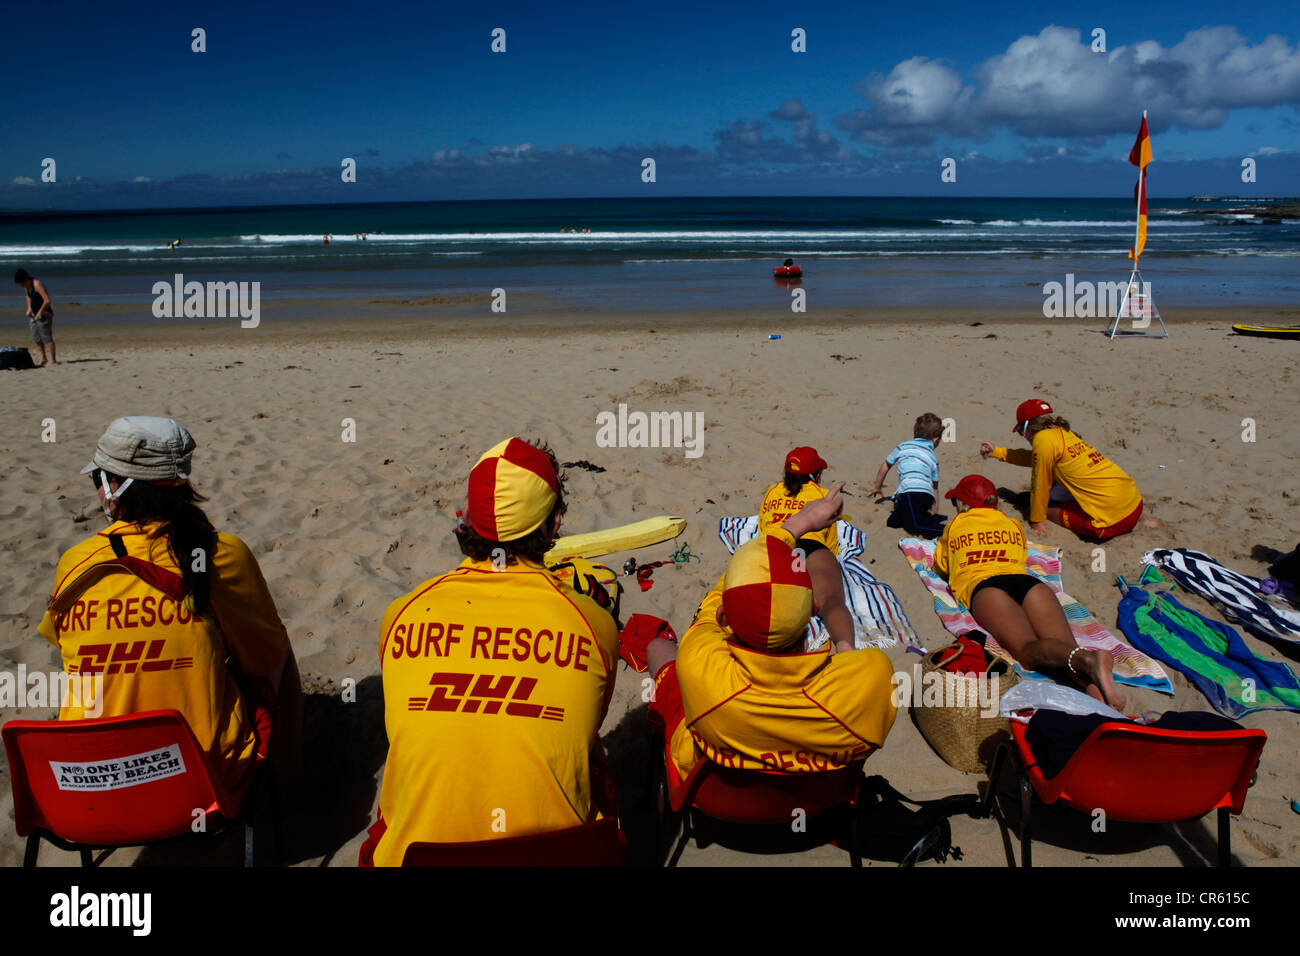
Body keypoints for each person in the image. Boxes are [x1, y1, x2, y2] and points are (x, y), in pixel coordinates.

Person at [360, 438, 620, 866]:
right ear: (554, 525)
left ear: (467, 522)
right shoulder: (593, 624)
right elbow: (586, 731)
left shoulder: (401, 615)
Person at [37, 417, 300, 797]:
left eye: (97, 479)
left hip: (87, 785)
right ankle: (291, 784)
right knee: (276, 652)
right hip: (201, 780)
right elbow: (266, 660)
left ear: (115, 486)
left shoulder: (76, 561)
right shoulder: (220, 553)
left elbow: (68, 649)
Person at [643, 486, 897, 805]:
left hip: (714, 802)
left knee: (659, 649)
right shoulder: (872, 677)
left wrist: (798, 522)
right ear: (814, 608)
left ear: (723, 613)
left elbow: (709, 613)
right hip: (817, 804)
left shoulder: (700, 659)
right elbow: (853, 665)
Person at [934, 474, 1124, 709]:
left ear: (962, 504)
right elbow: (1021, 557)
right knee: (1064, 646)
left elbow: (943, 566)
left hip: (986, 586)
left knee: (1027, 651)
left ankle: (1088, 659)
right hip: (1027, 583)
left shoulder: (955, 526)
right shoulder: (1011, 523)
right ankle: (1096, 691)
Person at [979, 399, 1151, 541]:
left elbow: (1040, 484)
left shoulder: (1042, 440)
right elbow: (1034, 458)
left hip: (1113, 522)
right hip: (1135, 502)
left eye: (1021, 433)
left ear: (1028, 428)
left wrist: (1037, 521)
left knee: (1042, 508)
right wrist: (998, 452)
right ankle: (1140, 521)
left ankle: (1127, 524)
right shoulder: (1065, 433)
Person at [757, 447, 854, 651]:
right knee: (831, 602)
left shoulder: (771, 492)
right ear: (816, 475)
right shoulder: (822, 496)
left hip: (777, 544)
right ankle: (846, 649)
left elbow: (762, 530)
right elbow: (831, 544)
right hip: (810, 546)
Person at [869, 412, 946, 539]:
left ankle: (945, 530)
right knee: (892, 522)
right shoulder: (933, 458)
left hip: (911, 492)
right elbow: (935, 488)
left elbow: (885, 467)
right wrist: (934, 510)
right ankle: (926, 518)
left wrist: (877, 487)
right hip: (924, 495)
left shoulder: (903, 447)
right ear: (936, 440)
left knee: (914, 526)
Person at [14, 268, 55, 366]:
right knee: (36, 338)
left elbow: (47, 300)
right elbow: (28, 296)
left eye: (22, 284)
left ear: (26, 280)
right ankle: (43, 358)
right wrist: (29, 308)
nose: (22, 286)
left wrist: (40, 312)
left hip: (44, 314)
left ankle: (53, 360)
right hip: (34, 314)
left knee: (46, 338)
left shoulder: (37, 284)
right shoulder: (27, 287)